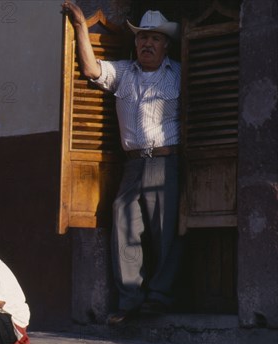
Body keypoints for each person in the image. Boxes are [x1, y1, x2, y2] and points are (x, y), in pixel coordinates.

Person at [61, 1, 182, 325]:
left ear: (166, 44)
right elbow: (89, 70)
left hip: (165, 162)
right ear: (136, 42)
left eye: (155, 38)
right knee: (123, 225)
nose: (147, 43)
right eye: (143, 38)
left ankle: (159, 297)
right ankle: (130, 300)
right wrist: (80, 27)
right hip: (131, 164)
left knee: (165, 231)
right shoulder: (124, 72)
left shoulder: (181, 74)